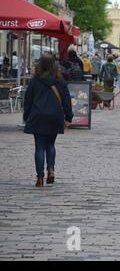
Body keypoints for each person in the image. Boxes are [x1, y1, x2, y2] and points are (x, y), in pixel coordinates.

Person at [23, 55, 73, 187]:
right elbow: (67, 99)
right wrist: (68, 117)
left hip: (38, 115)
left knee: (39, 146)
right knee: (50, 145)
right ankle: (51, 169)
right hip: (54, 116)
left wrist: (26, 116)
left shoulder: (34, 81)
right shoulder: (59, 81)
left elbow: (28, 101)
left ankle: (40, 177)